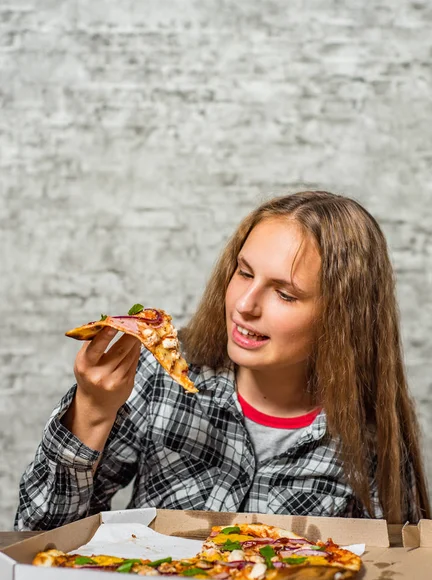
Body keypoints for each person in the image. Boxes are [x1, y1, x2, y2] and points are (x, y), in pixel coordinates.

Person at [15, 191, 430, 530]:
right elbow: (39, 535)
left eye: (284, 294)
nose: (245, 305)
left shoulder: (370, 441)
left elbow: (389, 579)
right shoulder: (159, 379)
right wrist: (91, 409)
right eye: (245, 273)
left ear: (342, 318)